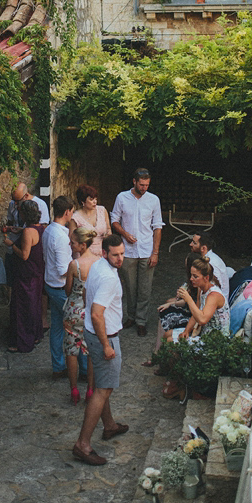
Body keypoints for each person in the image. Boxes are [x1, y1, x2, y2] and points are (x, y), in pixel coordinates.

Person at [72, 236, 129, 466]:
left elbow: (86, 295)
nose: (120, 258)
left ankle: (110, 426)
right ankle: (82, 444)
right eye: (115, 255)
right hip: (104, 337)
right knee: (103, 390)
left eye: (123, 254)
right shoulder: (108, 278)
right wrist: (106, 345)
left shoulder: (97, 265)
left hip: (91, 334)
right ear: (105, 253)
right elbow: (96, 313)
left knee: (101, 385)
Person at [110, 168, 163, 336]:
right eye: (141, 184)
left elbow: (157, 227)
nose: (144, 188)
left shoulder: (154, 200)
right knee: (130, 287)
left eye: (147, 185)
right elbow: (114, 220)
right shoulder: (122, 197)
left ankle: (141, 320)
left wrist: (155, 252)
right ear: (134, 181)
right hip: (128, 251)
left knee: (145, 288)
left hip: (147, 250)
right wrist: (125, 234)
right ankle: (131, 316)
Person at [63, 227, 100, 404]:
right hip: (91, 309)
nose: (71, 245)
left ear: (82, 245)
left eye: (73, 243)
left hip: (74, 309)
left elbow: (68, 289)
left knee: (71, 350)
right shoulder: (99, 262)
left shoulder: (74, 265)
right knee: (91, 350)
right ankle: (91, 389)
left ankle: (74, 389)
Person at [43, 195, 76, 378]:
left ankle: (58, 366)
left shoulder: (48, 231)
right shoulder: (61, 238)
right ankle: (82, 369)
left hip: (50, 285)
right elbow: (65, 270)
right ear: (66, 212)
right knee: (76, 328)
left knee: (56, 328)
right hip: (60, 288)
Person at [7, 199, 45, 353]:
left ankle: (23, 341)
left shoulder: (29, 232)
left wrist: (11, 244)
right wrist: (19, 231)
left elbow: (24, 255)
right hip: (37, 273)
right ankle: (35, 335)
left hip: (26, 275)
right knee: (34, 305)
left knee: (23, 308)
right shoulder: (40, 227)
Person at [177, 256, 230, 339]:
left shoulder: (214, 296)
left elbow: (202, 320)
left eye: (195, 276)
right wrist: (186, 331)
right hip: (205, 334)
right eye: (191, 275)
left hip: (216, 342)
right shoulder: (201, 289)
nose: (191, 279)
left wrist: (189, 299)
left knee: (170, 340)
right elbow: (196, 312)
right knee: (168, 335)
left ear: (206, 278)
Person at [69, 184, 111, 254]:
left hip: (102, 253)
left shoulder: (102, 210)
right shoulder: (75, 218)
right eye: (91, 199)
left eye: (96, 199)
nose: (95, 202)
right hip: (84, 255)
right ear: (83, 201)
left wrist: (108, 234)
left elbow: (109, 229)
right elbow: (72, 241)